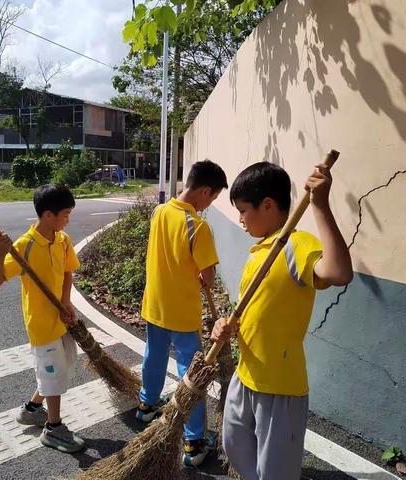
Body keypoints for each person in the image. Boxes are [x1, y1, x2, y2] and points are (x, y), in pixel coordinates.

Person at [212, 161, 353, 480]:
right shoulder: (257, 253)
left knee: (276, 471)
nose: (240, 220)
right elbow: (249, 312)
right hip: (245, 375)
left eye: (243, 210)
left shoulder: (297, 245)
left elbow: (339, 273)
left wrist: (321, 205)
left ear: (268, 205)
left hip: (279, 386)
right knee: (234, 443)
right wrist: (227, 325)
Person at [138, 159, 228, 467]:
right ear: (204, 191)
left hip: (154, 304)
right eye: (213, 198)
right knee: (192, 374)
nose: (210, 204)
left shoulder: (159, 211)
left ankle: (146, 405)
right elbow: (209, 276)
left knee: (154, 354)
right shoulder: (198, 227)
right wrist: (204, 274)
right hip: (182, 312)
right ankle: (193, 441)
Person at [0, 184, 85, 453]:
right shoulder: (24, 247)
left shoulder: (63, 240)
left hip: (61, 319)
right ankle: (54, 429)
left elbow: (68, 272)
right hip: (41, 325)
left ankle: (32, 409)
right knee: (53, 377)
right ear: (47, 215)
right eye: (65, 214)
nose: (68, 219)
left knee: (64, 366)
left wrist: (66, 302)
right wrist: (0, 252)